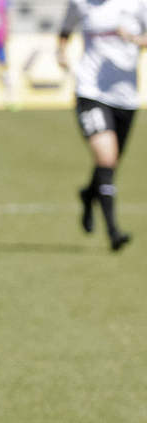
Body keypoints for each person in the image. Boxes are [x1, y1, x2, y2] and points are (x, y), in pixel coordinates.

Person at [58, 0, 147, 252]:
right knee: (107, 158)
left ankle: (89, 194)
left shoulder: (137, 3)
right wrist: (61, 52)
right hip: (90, 92)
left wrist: (133, 39)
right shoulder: (80, 3)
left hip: (126, 98)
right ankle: (113, 231)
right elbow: (65, 30)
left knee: (111, 162)